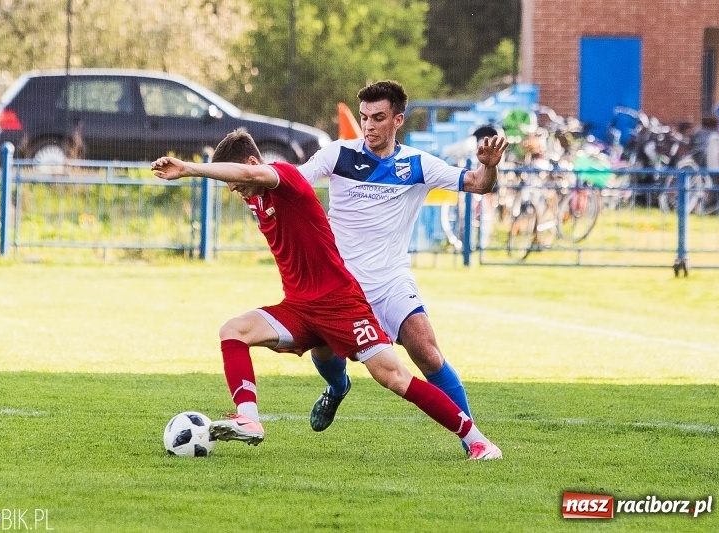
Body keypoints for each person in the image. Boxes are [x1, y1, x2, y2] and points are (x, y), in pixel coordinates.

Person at [151, 129, 502, 459]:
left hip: (339, 302)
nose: (235, 190)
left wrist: (190, 169)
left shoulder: (284, 178)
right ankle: (249, 419)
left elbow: (259, 177)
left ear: (254, 166)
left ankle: (478, 443)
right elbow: (253, 185)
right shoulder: (255, 197)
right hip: (299, 306)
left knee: (393, 376)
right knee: (233, 330)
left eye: (236, 182)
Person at [298, 81, 508, 446]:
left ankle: (471, 438)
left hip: (391, 281)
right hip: (340, 284)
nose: (368, 127)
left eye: (378, 118)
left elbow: (478, 183)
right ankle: (337, 387)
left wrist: (489, 167)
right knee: (322, 349)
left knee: (427, 351)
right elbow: (295, 181)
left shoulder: (417, 164)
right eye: (364, 118)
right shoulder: (337, 155)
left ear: (398, 119)